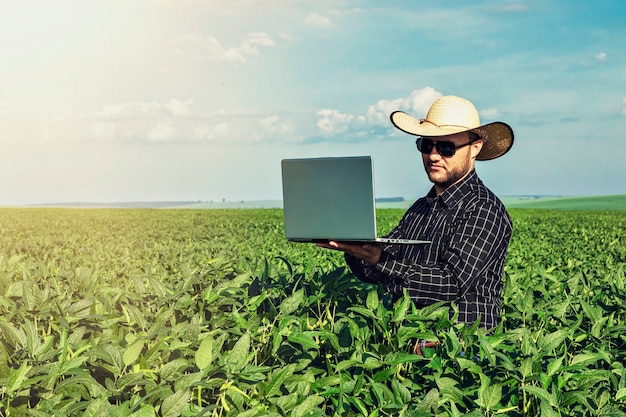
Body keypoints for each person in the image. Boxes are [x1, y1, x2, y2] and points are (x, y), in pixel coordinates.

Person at [317, 95, 514, 329]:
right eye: (426, 145)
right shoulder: (420, 208)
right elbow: (377, 271)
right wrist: (354, 247)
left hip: (460, 352)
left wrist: (378, 259)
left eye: (446, 147)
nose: (433, 155)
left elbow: (450, 284)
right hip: (408, 341)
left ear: (475, 148)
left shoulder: (483, 208)